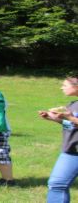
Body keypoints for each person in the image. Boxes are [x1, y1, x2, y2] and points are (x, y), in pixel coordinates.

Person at [39, 75, 78, 203]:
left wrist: (71, 118)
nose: (62, 88)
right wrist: (53, 118)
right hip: (71, 150)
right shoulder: (73, 104)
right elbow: (71, 125)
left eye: (65, 85)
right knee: (57, 184)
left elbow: (73, 121)